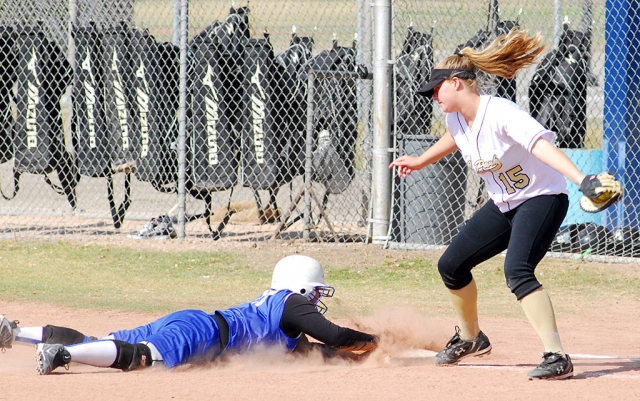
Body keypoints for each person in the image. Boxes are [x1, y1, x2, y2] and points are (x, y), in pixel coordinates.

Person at [389, 28, 620, 380]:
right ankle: (471, 338)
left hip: (542, 198)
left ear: (457, 82)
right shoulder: (455, 118)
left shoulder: (501, 113)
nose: (433, 96)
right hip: (504, 203)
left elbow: (540, 146)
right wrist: (421, 160)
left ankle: (557, 356)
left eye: (437, 89)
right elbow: (455, 137)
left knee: (517, 270)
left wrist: (583, 181)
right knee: (451, 265)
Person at [0, 255, 378, 374]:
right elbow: (334, 335)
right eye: (313, 291)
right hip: (204, 334)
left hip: (195, 321)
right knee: (145, 358)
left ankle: (15, 333)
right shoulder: (291, 304)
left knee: (100, 344)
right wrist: (379, 340)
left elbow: (323, 351)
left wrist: (371, 355)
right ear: (298, 287)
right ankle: (61, 355)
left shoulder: (280, 317)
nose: (315, 300)